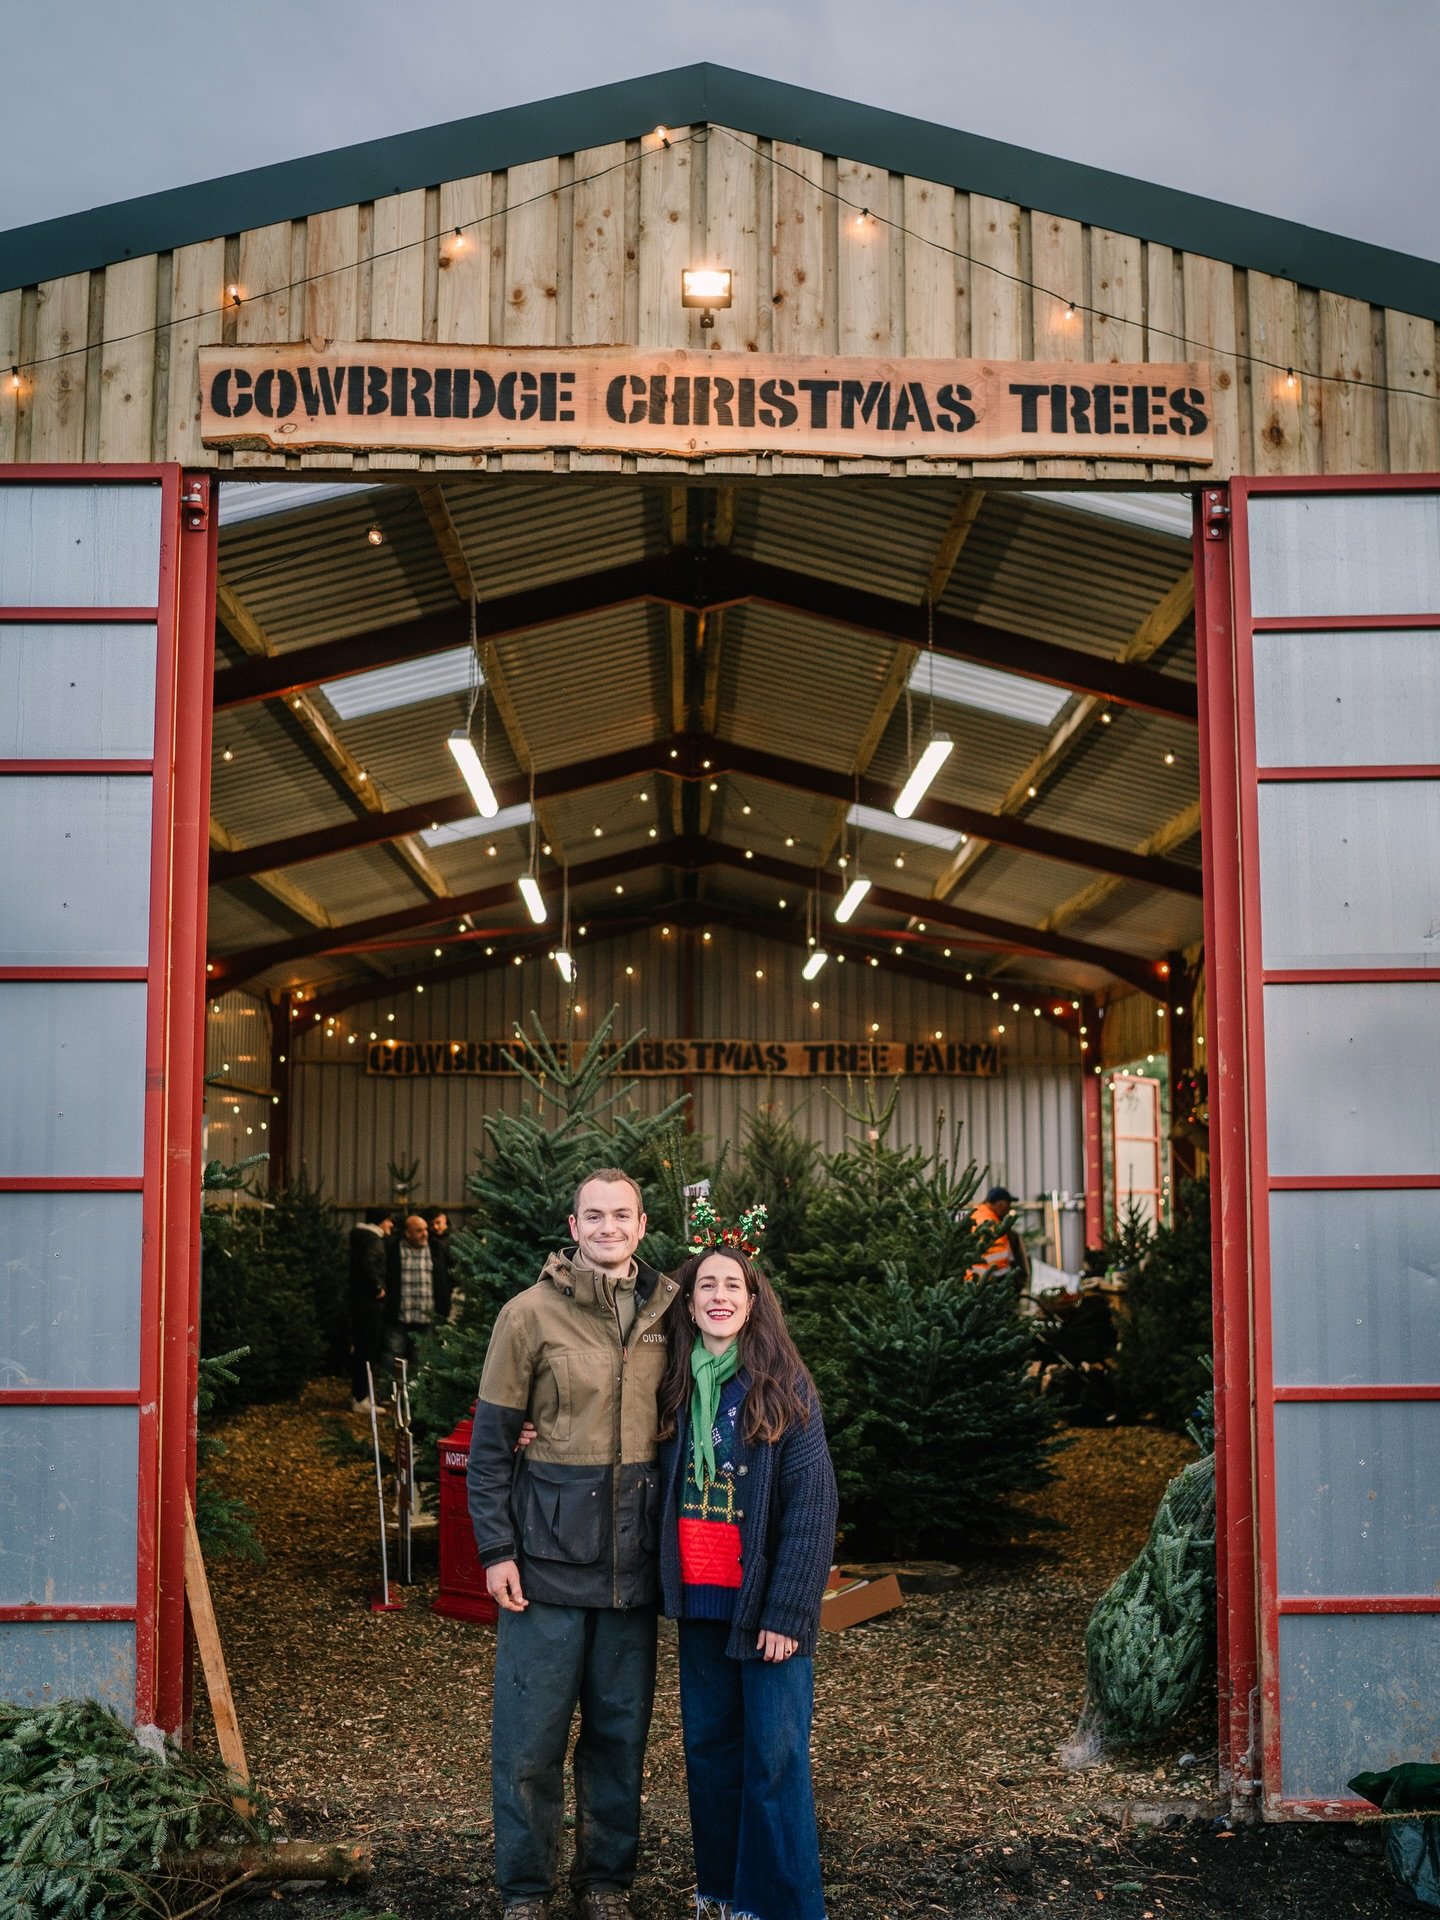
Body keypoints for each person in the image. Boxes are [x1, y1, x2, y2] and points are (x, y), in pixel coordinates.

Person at [466, 1170, 679, 1920]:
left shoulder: (671, 1314)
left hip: (633, 1568)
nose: (609, 1226)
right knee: (530, 1744)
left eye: (622, 1215)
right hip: (547, 1568)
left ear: (643, 1224)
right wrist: (497, 1551)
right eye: (596, 1215)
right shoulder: (527, 1316)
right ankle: (525, 1890)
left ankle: (606, 1885)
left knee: (619, 1739)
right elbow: (491, 1448)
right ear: (573, 1223)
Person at [656, 1243, 838, 1920]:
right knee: (710, 1754)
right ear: (690, 1299)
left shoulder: (783, 1387)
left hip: (765, 1610)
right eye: (707, 1286)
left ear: (754, 1301)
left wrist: (790, 1612)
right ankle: (724, 1894)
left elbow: (814, 1507)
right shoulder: (671, 1383)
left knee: (774, 1759)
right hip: (700, 1603)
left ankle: (783, 1905)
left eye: (733, 1285)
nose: (720, 1297)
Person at [383, 1211, 451, 1366]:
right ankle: (391, 1389)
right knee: (393, 1354)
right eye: (419, 1231)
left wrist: (443, 1307)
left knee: (421, 1358)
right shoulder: (393, 1248)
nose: (425, 1234)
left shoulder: (436, 1248)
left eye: (426, 1230)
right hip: (399, 1314)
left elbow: (445, 1278)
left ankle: (416, 1390)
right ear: (407, 1233)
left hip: (426, 1316)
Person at [347, 1206, 392, 1411]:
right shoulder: (374, 1241)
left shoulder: (360, 1239)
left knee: (361, 1348)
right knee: (368, 1348)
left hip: (357, 1302)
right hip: (369, 1304)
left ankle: (360, 1394)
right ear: (380, 1221)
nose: (391, 1224)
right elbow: (368, 1264)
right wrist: (377, 1288)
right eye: (388, 1220)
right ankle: (362, 1396)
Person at [970, 1184, 1032, 1287]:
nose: (1008, 1210)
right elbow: (998, 1261)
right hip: (987, 1283)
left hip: (972, 1282)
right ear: (1000, 1205)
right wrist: (1012, 1283)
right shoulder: (993, 1226)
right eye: (1008, 1206)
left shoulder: (975, 1215)